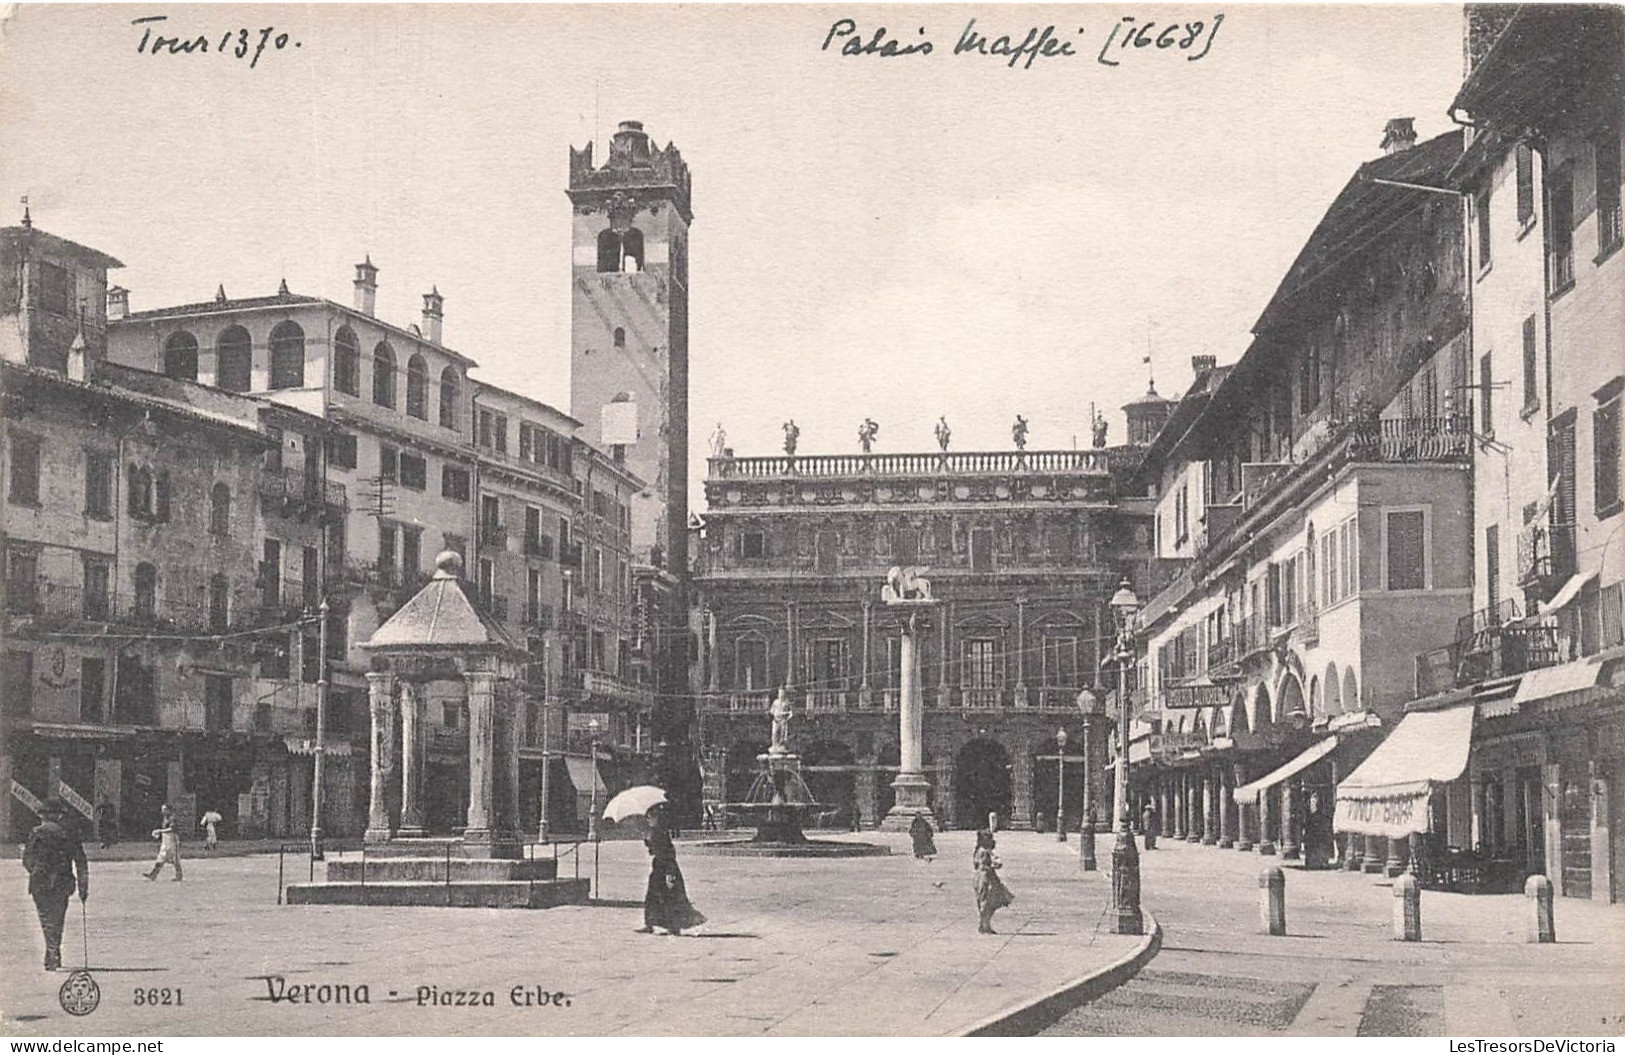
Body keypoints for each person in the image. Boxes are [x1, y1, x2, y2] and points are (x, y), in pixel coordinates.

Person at [23, 799, 90, 972]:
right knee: (58, 919)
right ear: (59, 815)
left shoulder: (36, 832)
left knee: (46, 918)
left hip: (40, 881)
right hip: (63, 880)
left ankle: (52, 953)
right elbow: (81, 861)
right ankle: (53, 952)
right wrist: (83, 887)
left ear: (45, 815)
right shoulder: (70, 833)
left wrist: (35, 870)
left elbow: (27, 860)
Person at [638, 804, 706, 936]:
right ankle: (650, 924)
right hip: (658, 868)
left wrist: (670, 872)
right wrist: (648, 843)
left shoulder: (660, 833)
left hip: (666, 868)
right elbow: (654, 851)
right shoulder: (655, 832)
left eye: (651, 817)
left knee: (670, 898)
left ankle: (674, 926)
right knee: (652, 897)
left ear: (658, 818)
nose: (649, 819)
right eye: (648, 817)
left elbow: (668, 853)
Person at [972, 830, 1014, 934]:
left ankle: (984, 923)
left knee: (986, 901)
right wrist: (994, 865)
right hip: (986, 878)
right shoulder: (984, 851)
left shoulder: (979, 851)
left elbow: (976, 865)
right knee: (988, 901)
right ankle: (985, 925)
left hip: (981, 877)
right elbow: (984, 865)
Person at [145, 805, 183, 881]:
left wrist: (160, 831)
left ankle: (179, 875)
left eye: (165, 809)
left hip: (172, 840)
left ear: (169, 810)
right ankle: (153, 874)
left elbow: (172, 829)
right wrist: (158, 835)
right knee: (161, 857)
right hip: (165, 840)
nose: (163, 811)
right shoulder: (165, 818)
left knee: (175, 859)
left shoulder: (172, 818)